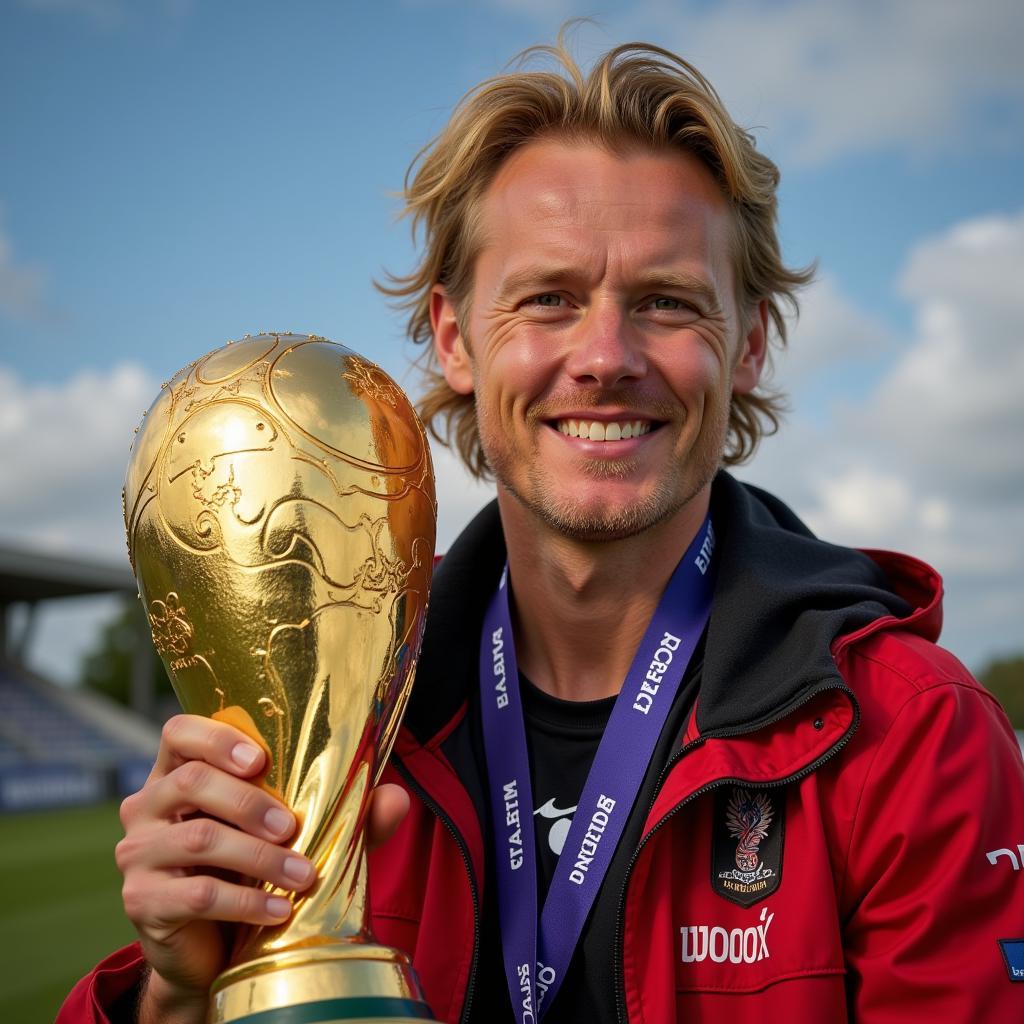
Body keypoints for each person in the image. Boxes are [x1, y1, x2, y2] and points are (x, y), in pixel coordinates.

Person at [61, 36, 1024, 1024]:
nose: (604, 356)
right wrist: (175, 995)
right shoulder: (333, 713)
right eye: (548, 299)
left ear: (750, 345)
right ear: (453, 336)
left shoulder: (912, 736)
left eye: (666, 302)